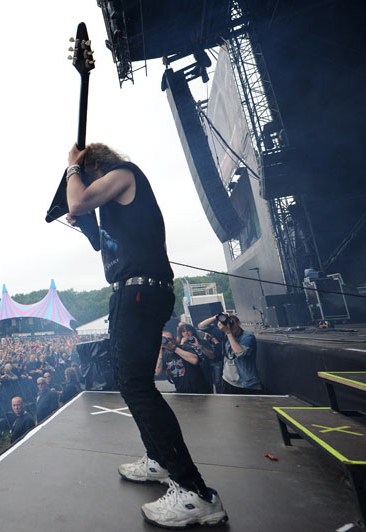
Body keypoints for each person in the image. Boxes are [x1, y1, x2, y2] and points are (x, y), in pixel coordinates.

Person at [65, 142, 227, 528]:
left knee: (137, 385)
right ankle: (159, 458)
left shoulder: (124, 173)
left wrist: (72, 168)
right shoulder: (118, 206)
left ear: (95, 171)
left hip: (139, 293)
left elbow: (76, 202)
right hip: (137, 292)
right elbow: (104, 244)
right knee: (132, 382)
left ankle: (195, 493)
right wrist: (88, 222)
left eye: (86, 177)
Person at [198, 313, 262, 394]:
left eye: (232, 323)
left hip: (245, 382)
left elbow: (239, 352)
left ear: (239, 323)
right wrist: (217, 316)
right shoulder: (224, 334)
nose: (231, 326)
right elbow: (201, 326)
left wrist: (228, 332)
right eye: (228, 323)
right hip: (228, 380)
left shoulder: (248, 336)